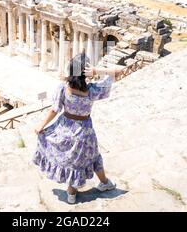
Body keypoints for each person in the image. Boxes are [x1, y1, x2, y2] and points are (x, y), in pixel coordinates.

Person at [33, 52, 124, 204]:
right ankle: (104, 183)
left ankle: (71, 195)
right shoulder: (93, 90)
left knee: (72, 162)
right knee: (94, 158)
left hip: (64, 129)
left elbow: (54, 110)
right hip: (85, 132)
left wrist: (41, 125)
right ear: (86, 71)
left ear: (71, 70)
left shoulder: (63, 88)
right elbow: (119, 71)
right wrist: (97, 71)